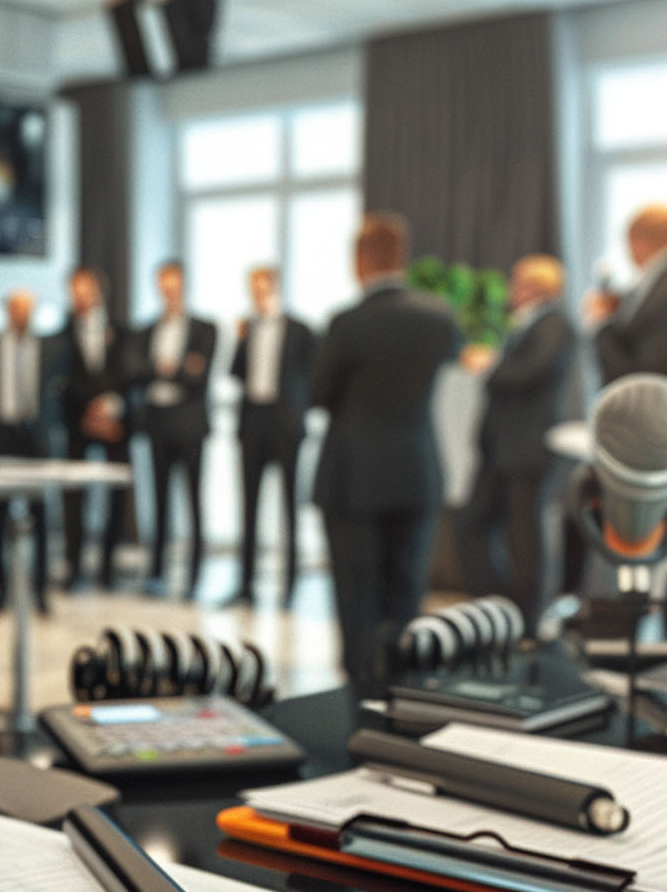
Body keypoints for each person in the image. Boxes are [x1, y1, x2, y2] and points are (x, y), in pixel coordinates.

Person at [312, 212, 461, 698]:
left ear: (359, 262)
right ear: (402, 258)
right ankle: (402, 685)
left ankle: (360, 691)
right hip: (417, 470)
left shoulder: (348, 323)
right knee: (406, 590)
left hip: (354, 475)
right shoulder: (439, 317)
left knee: (358, 596)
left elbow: (320, 393)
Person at [455, 254, 576, 624]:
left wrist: (488, 365)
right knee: (473, 523)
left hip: (527, 448)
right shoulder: (525, 324)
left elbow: (529, 373)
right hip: (500, 446)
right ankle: (496, 603)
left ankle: (525, 613)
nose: (511, 288)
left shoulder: (555, 323)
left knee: (524, 536)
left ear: (534, 287)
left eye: (517, 281)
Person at [228, 265, 315, 606]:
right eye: (254, 288)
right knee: (248, 506)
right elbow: (234, 374)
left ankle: (291, 586)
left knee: (289, 507)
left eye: (263, 287)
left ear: (275, 287)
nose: (258, 294)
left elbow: (312, 380)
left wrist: (298, 416)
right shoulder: (247, 328)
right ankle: (245, 585)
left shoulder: (302, 330)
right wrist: (239, 341)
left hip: (286, 426)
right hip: (252, 423)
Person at [0, 288, 56, 612]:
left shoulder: (49, 347)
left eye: (27, 309)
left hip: (36, 439)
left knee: (41, 516)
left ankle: (41, 590)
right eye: (16, 308)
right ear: (7, 311)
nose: (22, 315)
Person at [135, 261, 218, 599]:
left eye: (174, 284)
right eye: (163, 285)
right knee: (159, 499)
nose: (168, 291)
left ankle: (195, 575)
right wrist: (174, 369)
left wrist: (164, 371)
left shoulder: (204, 328)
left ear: (183, 285)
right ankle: (156, 571)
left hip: (189, 424)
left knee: (193, 500)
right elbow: (136, 370)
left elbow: (198, 376)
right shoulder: (148, 330)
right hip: (157, 422)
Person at [58, 265, 132, 590]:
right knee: (74, 496)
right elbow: (64, 379)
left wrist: (108, 407)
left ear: (99, 292)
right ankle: (73, 567)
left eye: (86, 291)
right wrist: (89, 412)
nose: (81, 298)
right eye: (76, 291)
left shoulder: (122, 331)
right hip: (78, 422)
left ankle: (107, 570)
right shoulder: (62, 333)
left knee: (117, 493)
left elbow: (127, 375)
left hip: (114, 421)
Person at [588, 204, 667, 384]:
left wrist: (601, 322)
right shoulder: (650, 285)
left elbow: (649, 370)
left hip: (648, 402)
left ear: (636, 239)